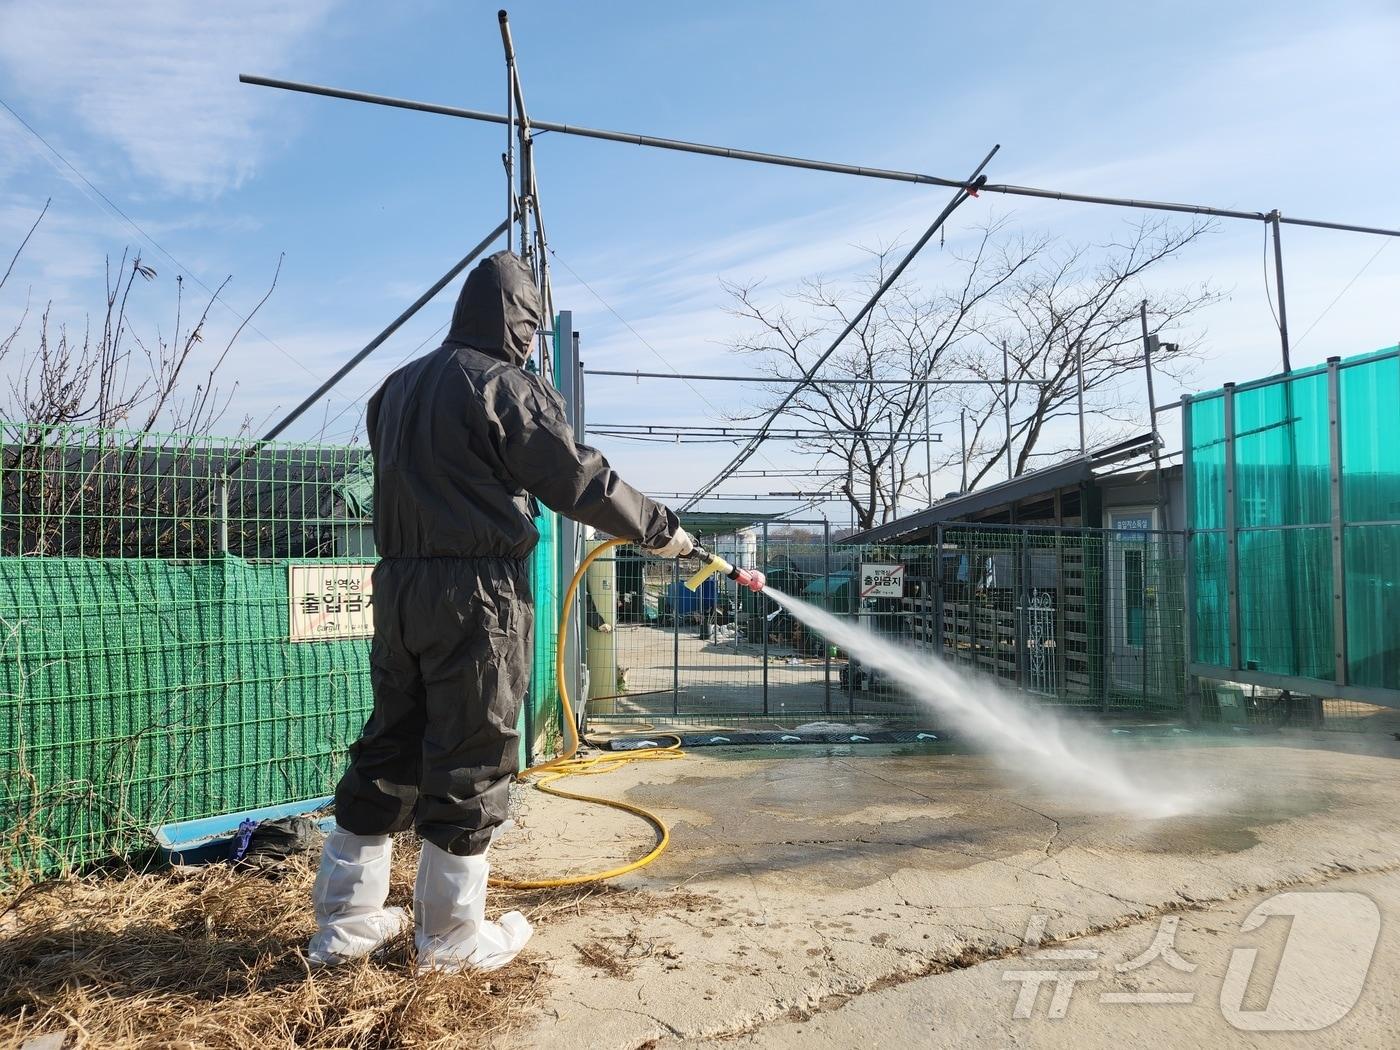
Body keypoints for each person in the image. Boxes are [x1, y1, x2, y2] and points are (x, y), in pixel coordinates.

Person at [308, 250, 693, 972]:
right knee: (472, 751)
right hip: (476, 595)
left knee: (391, 740)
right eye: (531, 324)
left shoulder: (395, 388)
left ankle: (346, 925)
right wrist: (661, 527)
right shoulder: (505, 386)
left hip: (397, 587)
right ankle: (450, 940)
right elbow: (578, 479)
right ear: (520, 320)